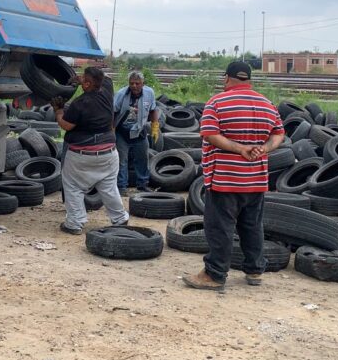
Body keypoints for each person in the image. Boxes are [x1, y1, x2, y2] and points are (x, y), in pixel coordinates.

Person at [183, 61, 284, 292]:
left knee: (220, 227)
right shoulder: (267, 104)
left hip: (225, 180)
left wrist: (239, 149)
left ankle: (215, 274)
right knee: (252, 226)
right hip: (256, 180)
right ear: (249, 80)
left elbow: (210, 134)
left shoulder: (217, 102)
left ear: (227, 78)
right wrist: (264, 149)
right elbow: (279, 134)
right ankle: (255, 270)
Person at [52, 67, 130, 235]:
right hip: (109, 152)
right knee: (108, 186)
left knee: (73, 187)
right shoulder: (107, 91)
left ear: (87, 84)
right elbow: (104, 78)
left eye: (84, 79)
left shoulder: (79, 103)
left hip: (82, 155)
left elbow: (66, 125)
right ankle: (120, 218)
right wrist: (81, 80)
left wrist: (58, 110)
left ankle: (74, 223)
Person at [113, 71, 159, 194]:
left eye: (137, 83)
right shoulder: (121, 94)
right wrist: (111, 131)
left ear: (142, 83)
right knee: (121, 160)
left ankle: (142, 185)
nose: (134, 86)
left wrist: (155, 126)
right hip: (122, 131)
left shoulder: (149, 93)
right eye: (131, 83)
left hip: (139, 131)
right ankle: (121, 187)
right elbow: (113, 113)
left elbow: (153, 110)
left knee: (142, 158)